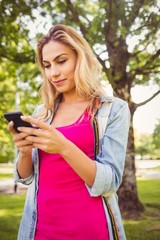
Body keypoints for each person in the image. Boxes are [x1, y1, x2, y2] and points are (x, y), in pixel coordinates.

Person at [8, 24, 130, 240]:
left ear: (79, 58)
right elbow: (26, 177)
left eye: (61, 61)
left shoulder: (113, 110)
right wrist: (25, 151)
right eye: (47, 65)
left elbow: (110, 182)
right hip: (39, 228)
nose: (53, 73)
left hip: (90, 229)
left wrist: (63, 146)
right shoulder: (42, 113)